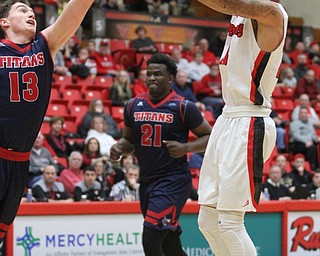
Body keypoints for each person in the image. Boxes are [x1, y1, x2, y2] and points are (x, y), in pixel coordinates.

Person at [196, 1, 288, 255]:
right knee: (207, 221)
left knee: (230, 223)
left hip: (250, 118)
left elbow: (225, 3)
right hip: (227, 118)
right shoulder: (239, 13)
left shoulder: (272, 13)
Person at [0, 0, 94, 241]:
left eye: (32, 11)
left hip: (20, 161)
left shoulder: (43, 46)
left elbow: (75, 11)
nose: (31, 13)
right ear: (4, 22)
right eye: (22, 10)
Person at [110, 53, 212, 256]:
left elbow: (210, 137)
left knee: (150, 240)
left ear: (171, 78)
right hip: (147, 182)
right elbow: (130, 141)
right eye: (149, 74)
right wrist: (119, 147)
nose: (152, 78)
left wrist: (185, 148)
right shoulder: (132, 105)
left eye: (158, 74)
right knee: (170, 246)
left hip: (173, 181)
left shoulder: (183, 106)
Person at [289, 106, 319, 170]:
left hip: (309, 143)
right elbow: (296, 136)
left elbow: (312, 134)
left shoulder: (310, 122)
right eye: (301, 113)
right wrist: (306, 141)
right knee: (311, 148)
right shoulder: (294, 123)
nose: (303, 114)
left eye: (305, 113)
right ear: (299, 114)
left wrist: (316, 138)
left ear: (307, 114)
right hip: (296, 144)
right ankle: (313, 167)